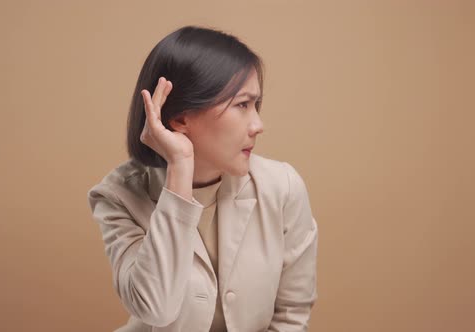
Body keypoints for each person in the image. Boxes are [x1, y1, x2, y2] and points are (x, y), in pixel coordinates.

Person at [87, 25, 318, 332]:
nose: (258, 125)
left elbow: (292, 315)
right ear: (181, 118)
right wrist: (180, 166)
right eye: (242, 105)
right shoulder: (117, 196)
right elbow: (155, 307)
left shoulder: (282, 187)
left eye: (256, 105)